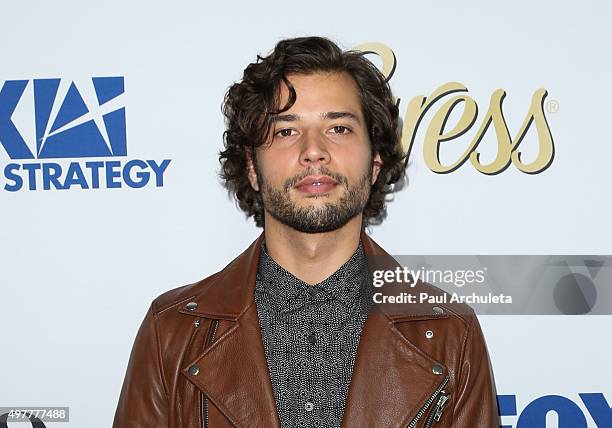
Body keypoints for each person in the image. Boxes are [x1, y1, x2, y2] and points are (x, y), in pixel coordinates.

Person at [113, 36, 500, 428]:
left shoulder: (451, 333)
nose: (313, 150)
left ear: (376, 160)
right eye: (286, 131)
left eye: (339, 128)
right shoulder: (171, 331)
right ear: (251, 167)